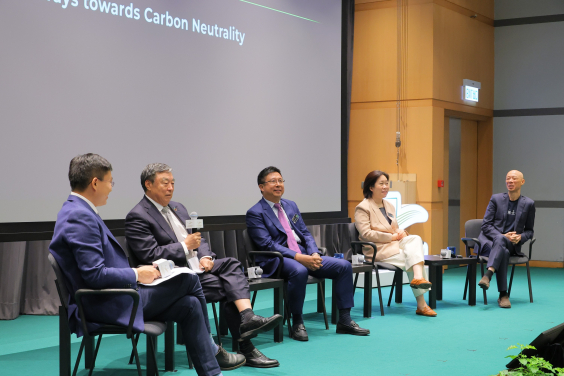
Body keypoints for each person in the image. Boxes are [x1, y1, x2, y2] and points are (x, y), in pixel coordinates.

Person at [49, 154, 245, 376]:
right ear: (95, 183)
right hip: (106, 302)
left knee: (190, 304)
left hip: (116, 295)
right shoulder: (79, 216)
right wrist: (137, 273)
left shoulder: (77, 210)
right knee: (189, 279)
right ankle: (213, 352)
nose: (111, 188)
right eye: (110, 182)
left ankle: (212, 372)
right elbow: (94, 275)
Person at [125, 163, 282, 368]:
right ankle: (245, 348)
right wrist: (183, 247)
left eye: (173, 183)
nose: (171, 188)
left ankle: (248, 316)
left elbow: (199, 239)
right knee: (231, 288)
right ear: (148, 184)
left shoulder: (178, 207)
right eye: (165, 183)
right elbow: (149, 255)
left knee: (232, 265)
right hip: (174, 278)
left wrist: (205, 256)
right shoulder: (138, 215)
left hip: (198, 267)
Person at [246, 166, 370, 341]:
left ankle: (345, 320)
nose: (278, 184)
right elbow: (267, 244)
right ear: (261, 186)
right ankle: (297, 322)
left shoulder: (290, 205)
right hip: (277, 259)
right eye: (273, 181)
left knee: (343, 266)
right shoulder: (255, 212)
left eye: (280, 180)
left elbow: (304, 233)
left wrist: (313, 253)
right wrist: (299, 257)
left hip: (304, 254)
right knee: (300, 270)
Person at [354, 170, 437, 317]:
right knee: (411, 259)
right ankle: (422, 305)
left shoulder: (389, 205)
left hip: (393, 245)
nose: (385, 186)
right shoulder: (363, 207)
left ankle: (418, 278)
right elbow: (366, 234)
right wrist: (392, 237)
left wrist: (400, 232)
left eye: (387, 183)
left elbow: (393, 227)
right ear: (371, 187)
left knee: (415, 238)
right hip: (377, 250)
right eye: (381, 183)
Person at [477, 170, 535, 309]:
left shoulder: (529, 204)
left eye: (514, 179)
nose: (510, 181)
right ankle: (503, 295)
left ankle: (488, 274)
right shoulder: (496, 199)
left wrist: (520, 237)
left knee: (503, 247)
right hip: (489, 243)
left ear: (522, 182)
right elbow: (486, 225)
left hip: (511, 244)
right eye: (508, 178)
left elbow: (529, 231)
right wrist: (501, 236)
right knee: (502, 247)